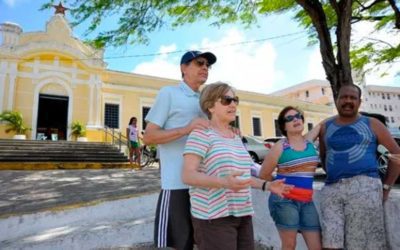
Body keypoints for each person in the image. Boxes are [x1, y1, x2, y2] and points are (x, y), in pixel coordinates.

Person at [182, 83, 293, 250]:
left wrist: (268, 185)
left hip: (243, 213)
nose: (233, 104)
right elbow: (188, 176)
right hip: (214, 218)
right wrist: (224, 182)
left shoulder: (236, 137)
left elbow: (243, 176)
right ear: (210, 106)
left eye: (235, 100)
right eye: (227, 100)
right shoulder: (201, 134)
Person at [143, 50, 217, 250]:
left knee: (203, 242)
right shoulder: (169, 93)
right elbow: (148, 136)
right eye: (199, 63)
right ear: (184, 68)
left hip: (204, 184)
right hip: (177, 184)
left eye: (207, 65)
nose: (205, 67)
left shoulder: (206, 101)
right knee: (179, 244)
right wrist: (186, 129)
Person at [318, 84, 400, 250]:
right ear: (337, 100)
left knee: (361, 245)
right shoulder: (326, 126)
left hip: (365, 187)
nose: (348, 101)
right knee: (330, 243)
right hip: (331, 189)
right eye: (344, 97)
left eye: (352, 98)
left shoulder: (372, 124)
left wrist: (386, 187)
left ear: (359, 102)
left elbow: (396, 155)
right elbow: (324, 155)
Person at [259, 106, 322, 250]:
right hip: (284, 201)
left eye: (298, 116)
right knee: (289, 245)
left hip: (307, 201)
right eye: (289, 118)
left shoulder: (309, 141)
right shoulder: (280, 146)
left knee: (316, 246)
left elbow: (322, 124)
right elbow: (264, 174)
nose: (295, 119)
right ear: (283, 126)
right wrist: (279, 186)